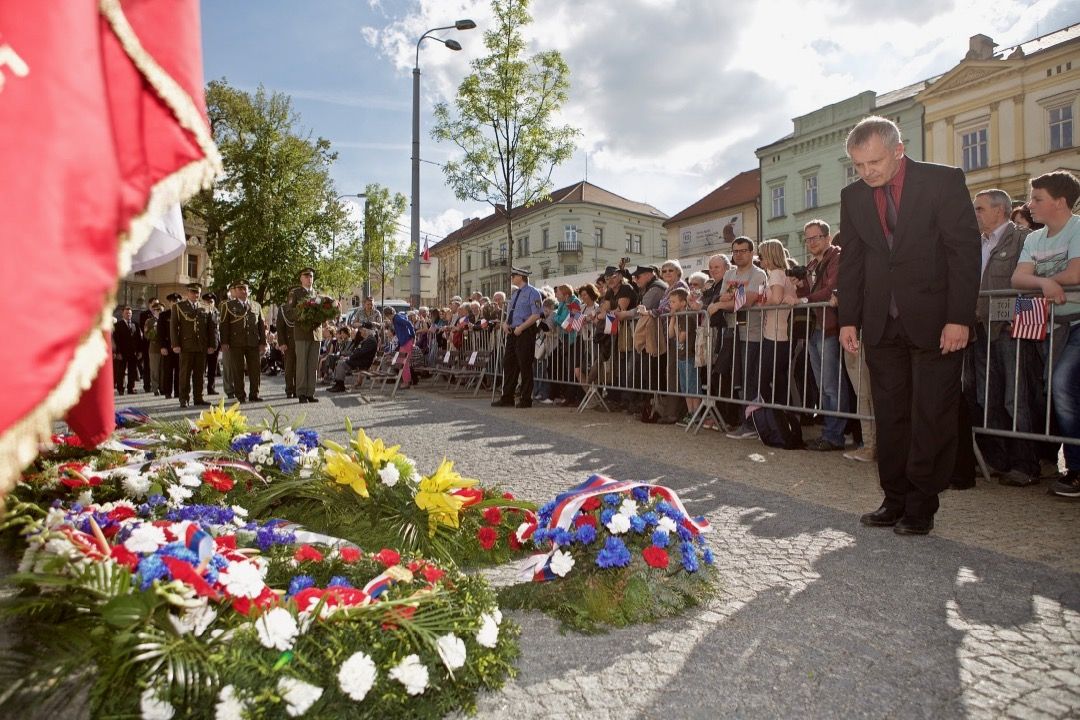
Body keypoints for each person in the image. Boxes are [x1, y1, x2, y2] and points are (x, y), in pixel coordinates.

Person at [838, 115, 980, 536]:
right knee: (891, 416)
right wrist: (849, 318)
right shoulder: (853, 197)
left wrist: (959, 317)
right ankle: (893, 498)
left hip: (937, 322)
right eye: (858, 166)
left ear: (898, 150)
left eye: (874, 163)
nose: (867, 173)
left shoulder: (942, 181)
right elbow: (853, 260)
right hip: (881, 323)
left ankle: (921, 505)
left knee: (931, 414)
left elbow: (964, 252)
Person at [1011, 170, 1080, 497]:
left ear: (1060, 202)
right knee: (1052, 391)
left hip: (1077, 323)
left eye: (1037, 199)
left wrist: (1047, 279)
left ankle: (1076, 470)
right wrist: (1045, 282)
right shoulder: (1034, 238)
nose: (1030, 204)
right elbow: (1018, 279)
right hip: (1046, 326)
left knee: (1062, 385)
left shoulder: (1078, 228)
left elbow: (1077, 271)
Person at [965, 189, 1038, 487]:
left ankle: (1026, 463)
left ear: (1000, 210)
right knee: (988, 397)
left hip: (1010, 329)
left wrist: (1021, 322)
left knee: (1016, 397)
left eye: (980, 208)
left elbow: (1029, 282)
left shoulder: (1022, 239)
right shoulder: (977, 244)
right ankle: (999, 459)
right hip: (981, 329)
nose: (976, 213)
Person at [796, 220, 851, 451]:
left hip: (830, 326)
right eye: (807, 238)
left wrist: (804, 299)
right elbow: (813, 293)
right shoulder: (811, 264)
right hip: (815, 328)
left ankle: (835, 435)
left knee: (832, 384)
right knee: (822, 384)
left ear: (827, 237)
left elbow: (831, 289)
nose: (811, 242)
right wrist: (800, 287)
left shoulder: (837, 257)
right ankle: (829, 432)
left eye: (816, 237)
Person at [721, 237, 768, 440]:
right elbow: (723, 297)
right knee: (738, 380)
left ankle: (751, 424)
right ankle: (744, 422)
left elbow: (746, 301)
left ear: (751, 252)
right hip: (733, 332)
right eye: (735, 251)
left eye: (743, 250)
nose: (738, 254)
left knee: (750, 379)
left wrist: (731, 299)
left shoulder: (758, 274)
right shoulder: (729, 273)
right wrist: (734, 298)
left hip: (752, 333)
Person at [492, 267, 543, 408]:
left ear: (521, 276)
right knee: (508, 364)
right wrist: (506, 324)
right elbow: (512, 312)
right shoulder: (515, 294)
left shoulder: (533, 293)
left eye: (514, 275)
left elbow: (536, 314)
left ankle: (526, 399)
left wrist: (522, 327)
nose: (512, 277)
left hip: (525, 332)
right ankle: (507, 397)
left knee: (525, 365)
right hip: (513, 332)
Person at [170, 283, 217, 408]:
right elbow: (174, 327)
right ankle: (184, 398)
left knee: (200, 373)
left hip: (201, 345)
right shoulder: (179, 307)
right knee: (185, 373)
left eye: (198, 292)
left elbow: (211, 327)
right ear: (188, 293)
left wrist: (212, 344)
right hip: (186, 345)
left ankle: (198, 397)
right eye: (193, 292)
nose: (196, 295)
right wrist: (175, 344)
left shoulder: (206, 307)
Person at [219, 279, 266, 403]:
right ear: (235, 291)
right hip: (236, 343)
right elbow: (224, 325)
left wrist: (263, 343)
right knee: (238, 370)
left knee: (255, 370)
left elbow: (261, 325)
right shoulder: (228, 306)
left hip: (253, 342)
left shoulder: (256, 305)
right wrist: (224, 342)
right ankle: (240, 395)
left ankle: (254, 394)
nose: (244, 291)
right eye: (240, 289)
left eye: (245, 289)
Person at [286, 267, 321, 403]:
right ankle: (300, 392)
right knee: (301, 365)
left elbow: (322, 311)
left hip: (316, 333)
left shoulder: (316, 294)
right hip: (302, 332)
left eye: (311, 276)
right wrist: (303, 315)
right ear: (301, 278)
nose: (309, 278)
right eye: (306, 276)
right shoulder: (295, 293)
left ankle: (310, 392)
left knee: (313, 365)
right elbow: (290, 312)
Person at [328, 322, 380, 392]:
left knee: (341, 363)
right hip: (360, 361)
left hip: (362, 363)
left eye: (362, 330)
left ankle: (340, 385)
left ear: (366, 331)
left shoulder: (370, 340)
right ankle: (338, 384)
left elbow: (360, 353)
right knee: (340, 362)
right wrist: (350, 357)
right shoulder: (368, 339)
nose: (360, 332)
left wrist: (349, 357)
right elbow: (359, 352)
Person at [156, 293, 182, 399]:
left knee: (179, 371)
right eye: (173, 301)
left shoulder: (183, 315)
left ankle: (177, 392)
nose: (175, 303)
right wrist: (162, 347)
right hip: (168, 346)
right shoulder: (164, 315)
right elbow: (160, 333)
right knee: (167, 371)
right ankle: (167, 392)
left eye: (177, 301)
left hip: (180, 347)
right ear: (169, 303)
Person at [112, 305, 142, 395]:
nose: (128, 314)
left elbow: (139, 339)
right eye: (126, 313)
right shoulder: (117, 325)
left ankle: (131, 388)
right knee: (121, 371)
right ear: (122, 314)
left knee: (132, 371)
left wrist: (140, 351)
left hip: (133, 352)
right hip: (122, 352)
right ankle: (121, 389)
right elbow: (115, 340)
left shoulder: (135, 324)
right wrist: (117, 352)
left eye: (129, 313)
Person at [202, 292, 221, 396]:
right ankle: (200, 389)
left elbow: (218, 329)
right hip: (204, 344)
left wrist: (219, 343)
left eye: (211, 301)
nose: (210, 303)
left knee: (213, 368)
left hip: (215, 344)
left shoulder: (217, 312)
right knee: (202, 369)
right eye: (207, 301)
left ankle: (211, 388)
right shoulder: (200, 312)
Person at [143, 300, 163, 395]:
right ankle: (155, 388)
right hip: (154, 348)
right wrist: (154, 329)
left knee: (164, 369)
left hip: (165, 348)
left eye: (161, 310)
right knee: (154, 370)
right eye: (157, 310)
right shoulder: (149, 321)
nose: (159, 311)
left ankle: (163, 387)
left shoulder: (165, 320)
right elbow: (146, 335)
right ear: (153, 311)